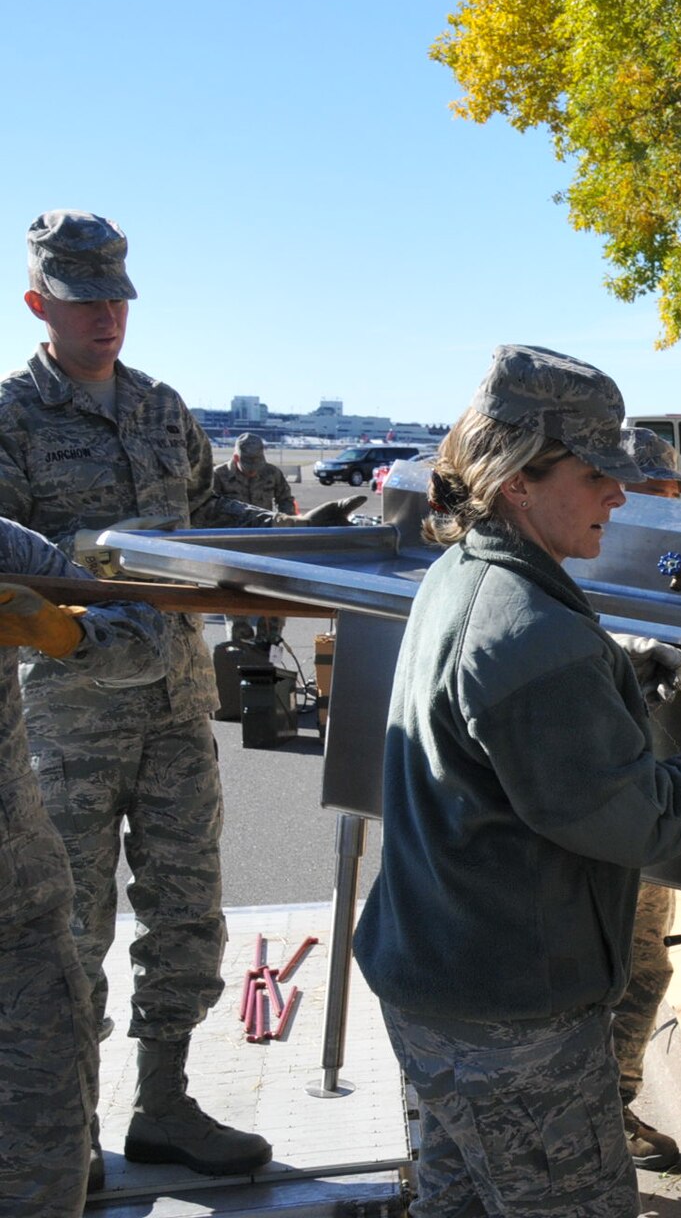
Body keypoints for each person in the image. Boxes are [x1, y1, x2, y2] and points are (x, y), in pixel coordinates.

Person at [353, 345, 681, 1216]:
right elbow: (641, 824)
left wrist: (615, 677)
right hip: (512, 1028)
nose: (619, 493)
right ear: (518, 481)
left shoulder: (461, 576)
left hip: (433, 986)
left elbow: (499, 737)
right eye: (596, 472)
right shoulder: (533, 632)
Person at [0, 211, 362, 1181]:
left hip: (175, 703)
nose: (106, 317)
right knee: (69, 928)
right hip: (67, 711)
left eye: (118, 298)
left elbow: (209, 515)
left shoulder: (162, 408)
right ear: (40, 304)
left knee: (188, 913)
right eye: (84, 302)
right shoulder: (10, 417)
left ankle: (164, 1102)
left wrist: (302, 535)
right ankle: (57, 1127)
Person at [0, 524, 167, 1215]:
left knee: (44, 1167)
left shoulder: (6, 548)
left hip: (15, 923)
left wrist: (65, 636)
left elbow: (143, 638)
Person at [607, 425, 681, 1171]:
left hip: (651, 808)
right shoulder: (573, 563)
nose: (666, 507)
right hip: (587, 820)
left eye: (672, 495)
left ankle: (614, 1106)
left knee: (644, 969)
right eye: (652, 493)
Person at [211, 432, 297, 653]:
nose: (253, 469)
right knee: (236, 606)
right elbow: (207, 510)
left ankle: (270, 649)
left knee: (273, 603)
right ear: (236, 457)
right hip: (233, 552)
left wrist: (284, 526)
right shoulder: (218, 476)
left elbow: (286, 500)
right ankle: (239, 652)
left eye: (257, 462)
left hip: (267, 549)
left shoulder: (271, 473)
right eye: (248, 463)